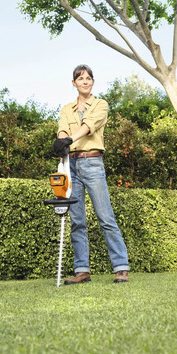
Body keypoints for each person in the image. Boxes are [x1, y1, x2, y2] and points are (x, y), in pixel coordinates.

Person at [52, 64, 130, 285]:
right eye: (80, 78)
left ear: (92, 82)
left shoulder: (100, 105)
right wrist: (61, 140)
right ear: (74, 83)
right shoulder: (67, 108)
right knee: (77, 220)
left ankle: (121, 267)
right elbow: (62, 128)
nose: (85, 81)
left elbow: (89, 126)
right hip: (71, 165)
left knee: (105, 217)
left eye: (88, 78)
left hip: (92, 162)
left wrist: (70, 139)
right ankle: (82, 270)